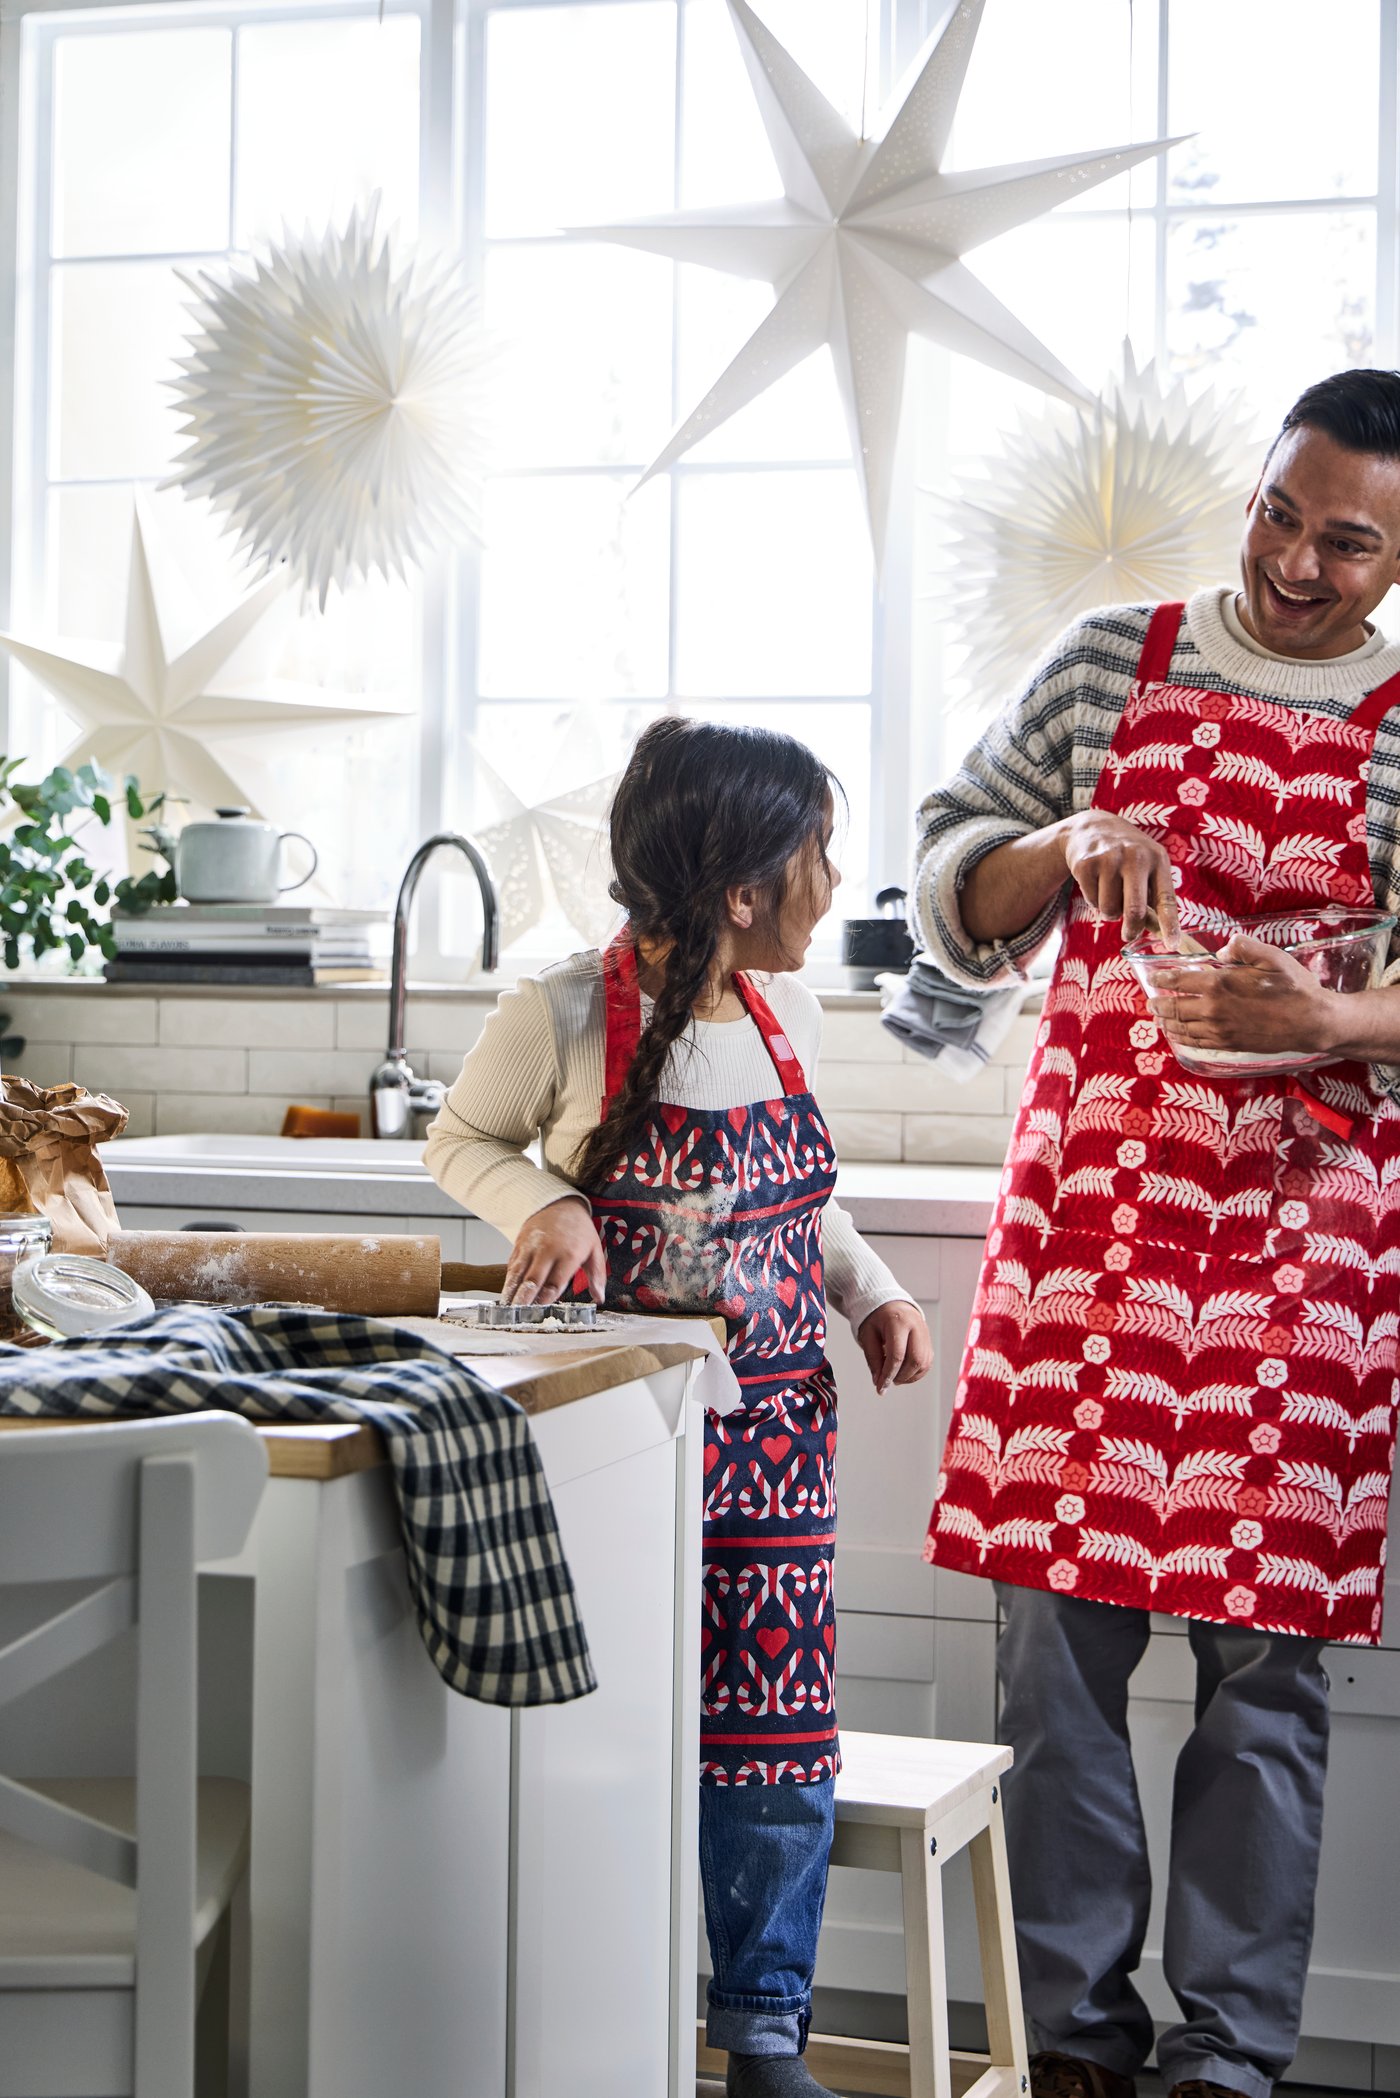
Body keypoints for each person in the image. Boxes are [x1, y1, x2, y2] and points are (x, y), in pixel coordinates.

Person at [912, 367, 1400, 2098]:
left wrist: (1329, 1025)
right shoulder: (1111, 659)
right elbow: (947, 897)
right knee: (1056, 1640)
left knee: (1265, 1658)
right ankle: (1072, 2041)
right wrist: (1064, 835)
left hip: (1307, 1226)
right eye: (1282, 510)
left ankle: (1233, 2058)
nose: (1295, 560)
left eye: (1347, 543)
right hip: (1091, 1218)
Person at [425, 716, 932, 2098]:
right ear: (739, 890)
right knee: (613, 1722)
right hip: (619, 1443)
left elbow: (805, 1202)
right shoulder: (561, 1012)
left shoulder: (793, 1014)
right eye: (817, 851)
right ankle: (595, 2015)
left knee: (774, 1731)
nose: (836, 880)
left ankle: (763, 2038)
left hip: (778, 1444)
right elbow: (460, 1138)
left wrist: (873, 1290)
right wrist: (553, 1199)